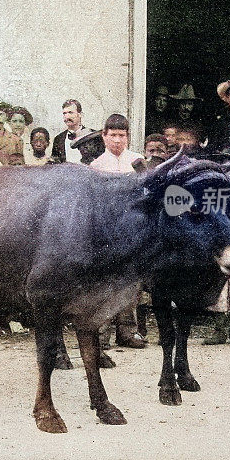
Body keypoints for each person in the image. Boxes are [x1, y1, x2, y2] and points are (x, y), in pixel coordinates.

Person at [89, 114, 146, 349]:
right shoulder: (96, 166)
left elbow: (145, 193)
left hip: (130, 227)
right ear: (104, 136)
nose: (117, 140)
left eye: (121, 135)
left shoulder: (137, 161)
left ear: (127, 137)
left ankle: (127, 331)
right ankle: (102, 334)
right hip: (106, 229)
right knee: (105, 281)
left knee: (130, 280)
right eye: (112, 135)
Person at [52, 99, 94, 163]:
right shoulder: (58, 139)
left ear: (80, 114)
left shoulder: (92, 135)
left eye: (70, 112)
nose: (67, 116)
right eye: (64, 113)